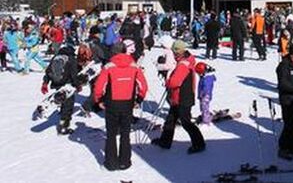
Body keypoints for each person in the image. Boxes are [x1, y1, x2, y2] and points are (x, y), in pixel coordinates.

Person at [94, 42, 148, 171]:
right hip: (127, 103)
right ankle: (125, 162)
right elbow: (143, 86)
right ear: (125, 51)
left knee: (111, 134)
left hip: (112, 103)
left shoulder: (108, 67)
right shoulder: (134, 66)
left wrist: (99, 99)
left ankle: (111, 163)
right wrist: (139, 99)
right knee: (125, 133)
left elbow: (99, 86)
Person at [152, 40, 206, 153]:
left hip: (183, 97)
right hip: (180, 96)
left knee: (186, 122)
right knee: (170, 120)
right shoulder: (187, 59)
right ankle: (165, 141)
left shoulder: (183, 65)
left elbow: (175, 82)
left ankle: (199, 144)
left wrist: (168, 81)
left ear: (177, 52)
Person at [41, 45, 81, 135]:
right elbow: (74, 75)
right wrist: (78, 85)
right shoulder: (71, 59)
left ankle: (62, 113)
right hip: (67, 85)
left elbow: (48, 71)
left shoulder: (56, 57)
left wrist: (45, 83)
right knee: (68, 106)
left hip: (57, 84)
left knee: (63, 101)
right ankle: (63, 127)